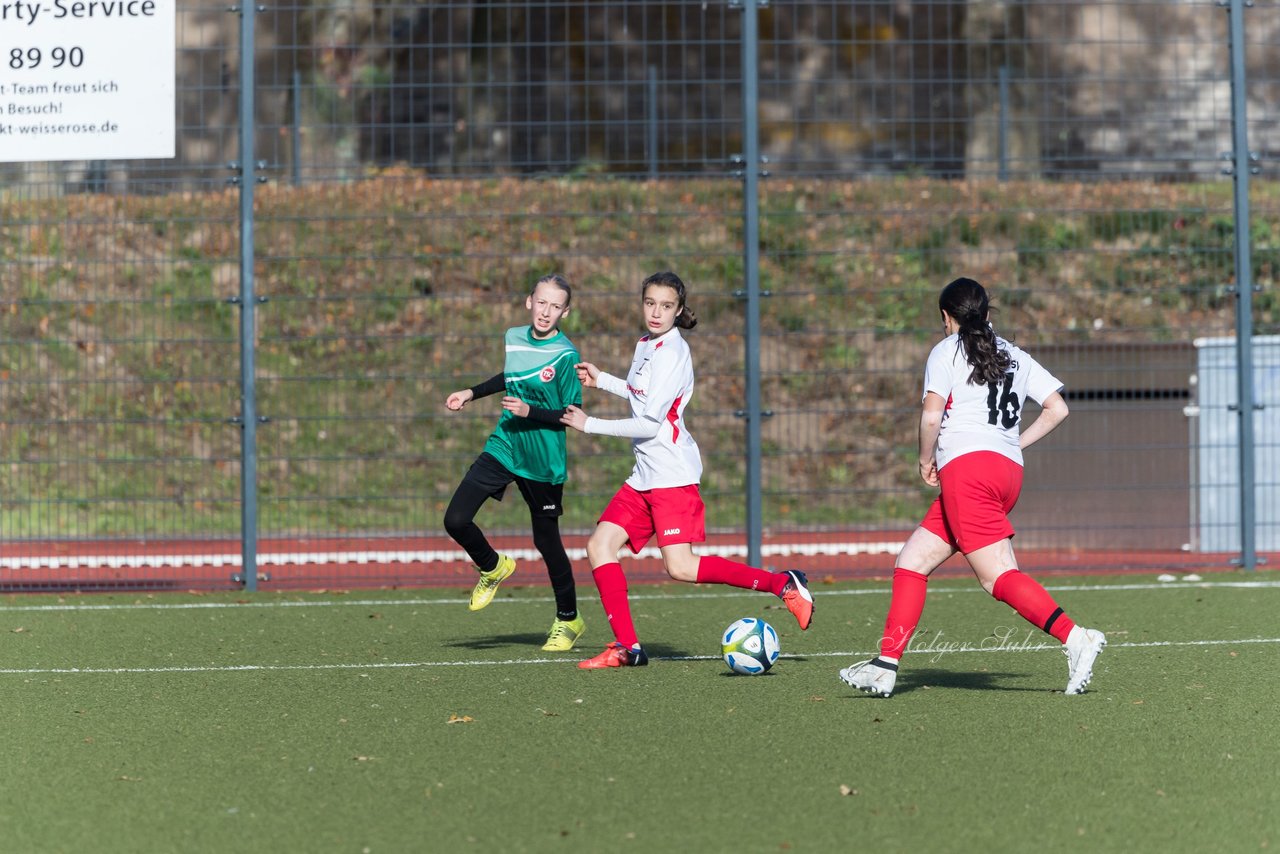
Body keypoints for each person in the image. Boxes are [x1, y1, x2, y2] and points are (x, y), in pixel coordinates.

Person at [839, 277, 1106, 697]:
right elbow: (1058, 408)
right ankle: (885, 665)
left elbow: (930, 418)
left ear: (947, 316)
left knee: (997, 577)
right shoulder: (1015, 354)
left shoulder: (946, 350)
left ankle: (1077, 638)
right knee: (912, 561)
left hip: (968, 474)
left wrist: (925, 459)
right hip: (1006, 474)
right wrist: (1014, 443)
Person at [560, 271, 814, 669]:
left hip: (671, 476)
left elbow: (649, 422)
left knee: (681, 567)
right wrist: (604, 380)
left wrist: (588, 424)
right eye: (650, 303)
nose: (656, 312)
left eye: (665, 306)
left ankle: (781, 583)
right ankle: (627, 647)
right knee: (599, 546)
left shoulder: (676, 352)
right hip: (644, 474)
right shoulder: (646, 344)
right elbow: (641, 393)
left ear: (679, 310)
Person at [443, 274, 586, 652]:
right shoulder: (513, 337)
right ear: (529, 302)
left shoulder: (566, 355)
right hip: (506, 444)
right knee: (455, 519)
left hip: (542, 457)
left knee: (546, 541)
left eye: (556, 306)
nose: (546, 312)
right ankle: (492, 566)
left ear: (565, 312)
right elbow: (511, 377)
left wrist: (530, 410)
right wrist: (470, 393)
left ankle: (569, 621)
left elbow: (572, 413)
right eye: (542, 303)